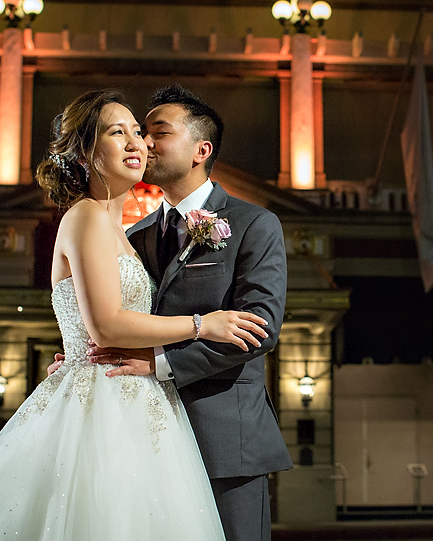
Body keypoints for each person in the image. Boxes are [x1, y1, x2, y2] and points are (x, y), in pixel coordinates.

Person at [0, 90, 270, 541]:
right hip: (101, 408)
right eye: (117, 132)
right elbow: (105, 323)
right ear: (86, 153)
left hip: (144, 403)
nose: (136, 143)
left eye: (139, 133)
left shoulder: (127, 231)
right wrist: (205, 323)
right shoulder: (85, 217)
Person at [49, 84, 293, 540]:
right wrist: (79, 360)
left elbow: (258, 330)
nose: (143, 143)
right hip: (140, 436)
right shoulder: (132, 232)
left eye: (154, 132)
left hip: (225, 439)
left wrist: (159, 364)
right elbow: (106, 314)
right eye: (134, 133)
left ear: (201, 150)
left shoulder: (253, 224)